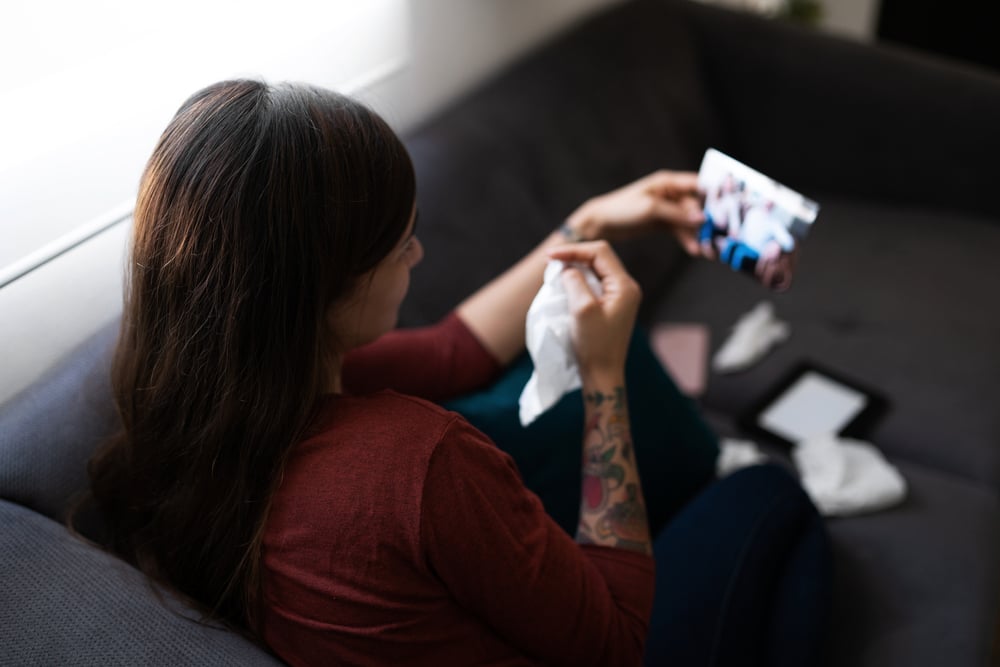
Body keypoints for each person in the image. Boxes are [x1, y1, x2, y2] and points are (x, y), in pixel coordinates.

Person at [77, 80, 830, 666]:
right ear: (327, 286)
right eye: (402, 243)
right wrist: (603, 380)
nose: (419, 257)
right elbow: (615, 641)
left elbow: (450, 352)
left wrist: (591, 222)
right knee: (771, 495)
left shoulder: (210, 382)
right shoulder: (418, 459)